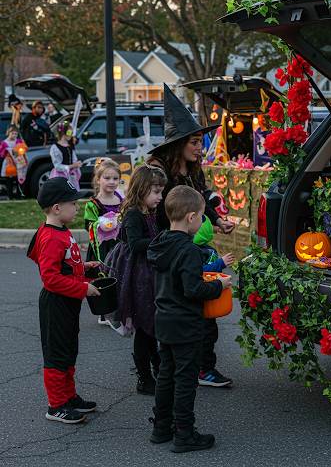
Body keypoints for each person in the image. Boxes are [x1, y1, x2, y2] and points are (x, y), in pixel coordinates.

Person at [149, 84, 235, 387]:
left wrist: (218, 219)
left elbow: (201, 199)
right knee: (177, 310)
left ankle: (201, 367)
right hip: (173, 250)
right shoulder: (158, 171)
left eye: (202, 141)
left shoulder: (194, 170)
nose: (201, 148)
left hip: (193, 246)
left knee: (204, 314)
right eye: (195, 142)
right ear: (179, 144)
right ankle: (168, 369)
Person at [147, 185, 232, 452]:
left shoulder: (160, 243)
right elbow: (194, 290)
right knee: (185, 380)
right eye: (203, 217)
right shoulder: (190, 251)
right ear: (191, 217)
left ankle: (161, 427)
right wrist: (220, 286)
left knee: (166, 375)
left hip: (164, 321)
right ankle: (184, 433)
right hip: (186, 325)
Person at [27, 177, 101, 423]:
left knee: (69, 352)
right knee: (57, 355)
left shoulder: (61, 229)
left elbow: (65, 264)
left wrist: (85, 268)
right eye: (73, 203)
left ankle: (68, 396)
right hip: (56, 304)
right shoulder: (49, 237)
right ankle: (56, 405)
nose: (78, 207)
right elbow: (50, 279)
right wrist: (83, 289)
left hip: (68, 302)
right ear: (57, 208)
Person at [103, 165, 167, 395]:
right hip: (134, 271)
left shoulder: (150, 212)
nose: (160, 197)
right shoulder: (133, 214)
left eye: (161, 191)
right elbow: (135, 244)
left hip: (146, 269)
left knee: (150, 323)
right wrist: (161, 242)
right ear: (141, 190)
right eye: (156, 192)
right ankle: (144, 378)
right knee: (143, 324)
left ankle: (158, 368)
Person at [84, 158, 123, 323]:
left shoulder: (121, 200)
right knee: (103, 276)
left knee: (119, 273)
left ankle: (118, 308)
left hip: (118, 244)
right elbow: (88, 225)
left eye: (115, 178)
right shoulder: (93, 204)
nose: (112, 182)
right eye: (107, 178)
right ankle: (104, 311)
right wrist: (102, 223)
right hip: (101, 247)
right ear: (98, 180)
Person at [49, 122, 82, 190]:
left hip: (70, 174)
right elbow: (57, 166)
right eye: (70, 132)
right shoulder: (55, 148)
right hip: (60, 175)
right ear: (64, 132)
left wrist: (76, 164)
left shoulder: (69, 146)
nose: (71, 135)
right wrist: (73, 166)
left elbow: (73, 159)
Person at [0, 126, 24, 199]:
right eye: (12, 133)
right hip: (8, 163)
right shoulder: (4, 143)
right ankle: (10, 195)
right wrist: (6, 151)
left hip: (17, 162)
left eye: (15, 134)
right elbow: (1, 154)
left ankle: (18, 194)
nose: (14, 135)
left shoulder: (18, 142)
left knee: (17, 179)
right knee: (9, 180)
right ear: (8, 133)